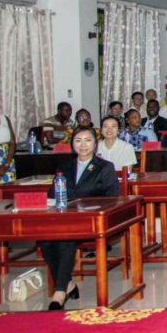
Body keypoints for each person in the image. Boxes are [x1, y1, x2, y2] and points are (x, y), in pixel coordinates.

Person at [42, 125, 120, 310]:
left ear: (95, 144)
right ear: (72, 144)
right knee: (45, 240)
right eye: (78, 141)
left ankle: (59, 293)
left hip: (91, 221)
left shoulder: (105, 167)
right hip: (64, 220)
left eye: (88, 140)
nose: (83, 145)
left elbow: (114, 199)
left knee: (66, 240)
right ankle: (68, 284)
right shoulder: (64, 168)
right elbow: (52, 196)